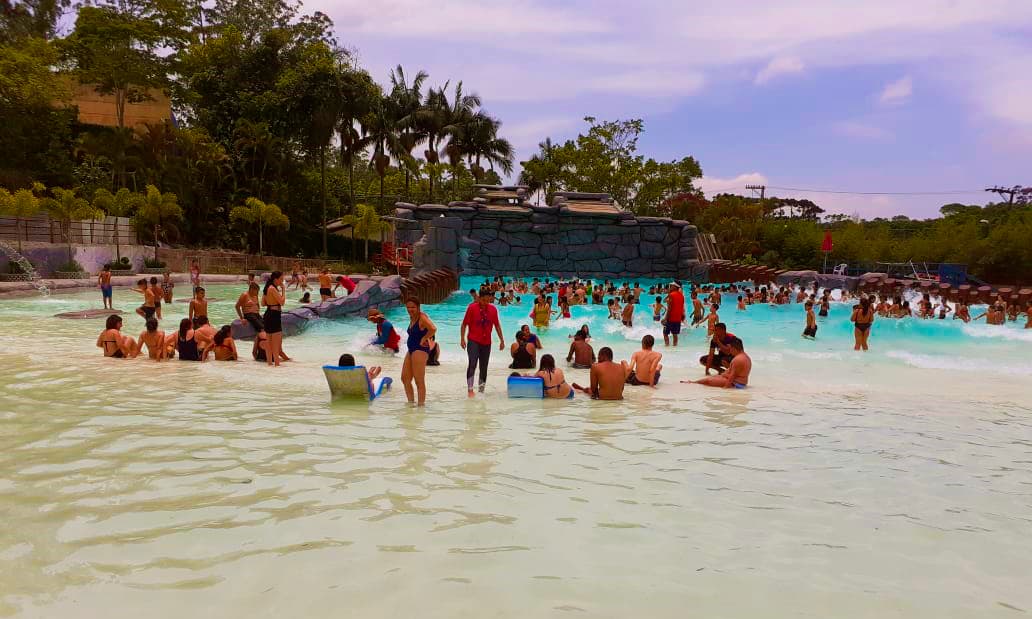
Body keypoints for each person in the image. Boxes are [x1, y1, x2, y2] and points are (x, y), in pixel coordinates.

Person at [460, 288, 504, 397]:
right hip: (473, 340)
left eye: (488, 301)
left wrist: (502, 340)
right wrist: (462, 338)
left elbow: (497, 325)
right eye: (484, 300)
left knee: (484, 367)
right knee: (473, 363)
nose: (485, 303)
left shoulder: (493, 309)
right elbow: (464, 324)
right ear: (479, 298)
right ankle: (470, 389)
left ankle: (481, 390)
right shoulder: (471, 308)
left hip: (486, 342)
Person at [401, 297, 436, 406]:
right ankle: (411, 403)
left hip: (420, 350)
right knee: (405, 379)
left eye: (413, 307)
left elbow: (433, 328)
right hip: (411, 349)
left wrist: (424, 338)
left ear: (418, 307)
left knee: (418, 380)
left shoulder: (422, 317)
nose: (410, 309)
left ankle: (421, 407)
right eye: (408, 307)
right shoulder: (412, 317)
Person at [685, 337, 751, 389]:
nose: (729, 351)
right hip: (740, 382)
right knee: (712, 378)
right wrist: (724, 374)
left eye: (730, 348)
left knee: (708, 381)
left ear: (734, 348)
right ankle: (693, 382)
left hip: (735, 384)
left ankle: (693, 383)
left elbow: (732, 377)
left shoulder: (738, 359)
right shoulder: (745, 357)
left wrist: (725, 389)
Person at [262, 271, 289, 366]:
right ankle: (277, 364)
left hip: (268, 314)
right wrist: (283, 290)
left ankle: (269, 364)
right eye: (281, 279)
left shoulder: (266, 288)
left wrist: (271, 301)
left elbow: (263, 303)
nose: (282, 281)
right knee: (276, 343)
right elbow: (282, 302)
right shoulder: (273, 289)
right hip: (274, 315)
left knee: (269, 342)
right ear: (275, 279)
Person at [663, 282, 685, 347]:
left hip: (670, 318)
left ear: (675, 287)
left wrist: (665, 318)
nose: (670, 287)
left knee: (665, 333)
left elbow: (670, 308)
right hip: (678, 318)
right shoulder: (682, 295)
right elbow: (681, 307)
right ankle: (675, 348)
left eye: (671, 286)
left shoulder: (671, 295)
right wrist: (682, 316)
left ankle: (667, 347)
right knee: (675, 334)